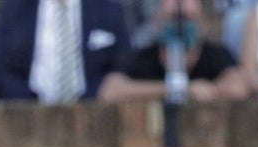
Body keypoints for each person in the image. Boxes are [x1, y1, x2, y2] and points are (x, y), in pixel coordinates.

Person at [97, 0, 249, 102]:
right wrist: (178, 89)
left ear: (203, 23)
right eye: (172, 18)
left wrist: (207, 90)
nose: (180, 26)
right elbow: (109, 91)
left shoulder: (216, 55)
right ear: (158, 22)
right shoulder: (142, 57)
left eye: (188, 18)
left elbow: (239, 89)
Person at [0, 0, 130, 103]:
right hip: (28, 116)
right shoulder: (15, 9)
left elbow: (124, 65)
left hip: (94, 115)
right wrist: (31, 102)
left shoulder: (108, 10)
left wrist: (94, 96)